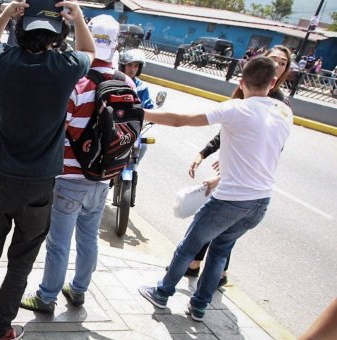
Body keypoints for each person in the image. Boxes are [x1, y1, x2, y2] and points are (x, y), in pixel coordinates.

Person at [138, 56, 292, 322]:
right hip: (260, 202)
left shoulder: (237, 108)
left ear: (241, 82)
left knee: (188, 247)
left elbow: (180, 120)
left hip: (230, 200)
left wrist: (139, 113)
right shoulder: (284, 111)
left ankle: (162, 293)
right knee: (221, 250)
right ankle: (199, 307)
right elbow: (264, 149)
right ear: (273, 82)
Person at [0, 1, 95, 339]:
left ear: (20, 29)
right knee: (21, 260)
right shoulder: (65, 66)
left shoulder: (5, 61)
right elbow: (90, 50)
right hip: (40, 184)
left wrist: (6, 13)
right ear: (57, 36)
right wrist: (80, 17)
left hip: (0, 178)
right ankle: (1, 329)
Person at [18, 15, 136, 314]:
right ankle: (79, 289)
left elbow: (60, 124)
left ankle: (47, 297)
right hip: (103, 176)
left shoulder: (77, 81)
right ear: (116, 43)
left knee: (59, 243)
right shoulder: (126, 82)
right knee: (88, 239)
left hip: (70, 175)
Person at [184, 45, 293, 286]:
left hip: (245, 186)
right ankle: (204, 272)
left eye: (282, 62)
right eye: (272, 59)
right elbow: (227, 127)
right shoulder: (251, 89)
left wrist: (224, 176)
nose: (276, 63)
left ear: (283, 72)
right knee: (221, 235)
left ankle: (200, 271)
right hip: (241, 183)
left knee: (217, 232)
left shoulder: (280, 106)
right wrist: (204, 152)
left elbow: (266, 153)